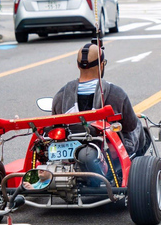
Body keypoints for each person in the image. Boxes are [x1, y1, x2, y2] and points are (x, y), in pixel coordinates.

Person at [52, 43, 146, 182]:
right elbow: (130, 126)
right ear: (101, 65)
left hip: (72, 151)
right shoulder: (116, 94)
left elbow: (55, 124)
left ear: (78, 65)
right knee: (138, 126)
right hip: (108, 153)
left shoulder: (61, 95)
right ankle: (131, 169)